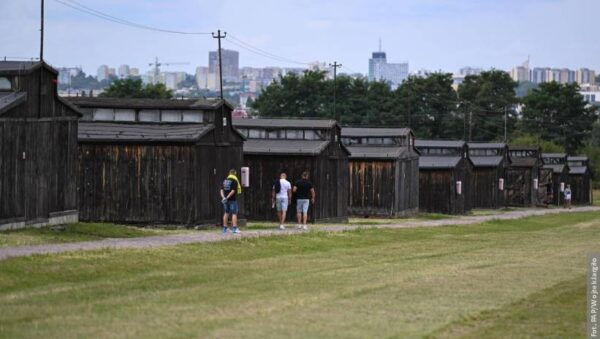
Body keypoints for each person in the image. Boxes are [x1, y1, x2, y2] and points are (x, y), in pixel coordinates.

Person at [220, 169, 242, 234]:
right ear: (234, 173)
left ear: (229, 173)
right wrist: (227, 197)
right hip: (232, 200)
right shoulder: (234, 180)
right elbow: (233, 191)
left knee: (226, 213)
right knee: (234, 213)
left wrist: (223, 197)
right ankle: (234, 228)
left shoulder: (225, 181)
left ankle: (225, 228)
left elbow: (221, 190)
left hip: (225, 200)